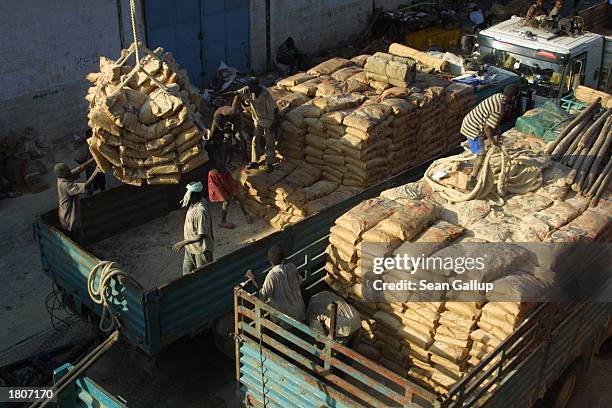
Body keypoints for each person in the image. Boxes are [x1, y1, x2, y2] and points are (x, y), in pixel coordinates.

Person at [460, 84, 520, 176]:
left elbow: (493, 121)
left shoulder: (498, 96)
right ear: (514, 98)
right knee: (481, 155)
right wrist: (493, 142)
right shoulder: (499, 108)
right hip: (473, 128)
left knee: (479, 148)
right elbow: (487, 128)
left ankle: (473, 163)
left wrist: (498, 133)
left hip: (468, 121)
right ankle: (473, 177)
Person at [245, 245, 305, 325]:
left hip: (285, 321)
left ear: (269, 260)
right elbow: (300, 282)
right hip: (300, 314)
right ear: (283, 258)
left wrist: (253, 279)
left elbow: (262, 296)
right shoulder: (291, 266)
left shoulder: (272, 275)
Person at [206, 129, 253, 229]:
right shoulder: (209, 147)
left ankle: (245, 214)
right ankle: (224, 221)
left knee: (235, 194)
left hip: (224, 173)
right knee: (226, 199)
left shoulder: (225, 146)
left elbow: (238, 150)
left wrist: (248, 157)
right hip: (215, 176)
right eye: (216, 139)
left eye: (220, 139)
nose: (218, 141)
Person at [228, 77, 278, 173]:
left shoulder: (265, 94)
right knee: (255, 140)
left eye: (251, 87)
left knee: (269, 143)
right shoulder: (248, 90)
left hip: (268, 121)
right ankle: (254, 161)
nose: (249, 88)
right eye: (248, 86)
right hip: (257, 120)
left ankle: (269, 162)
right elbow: (235, 93)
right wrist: (223, 95)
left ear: (257, 86)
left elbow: (275, 109)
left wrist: (273, 124)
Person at [172, 181, 215, 275]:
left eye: (189, 193)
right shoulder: (195, 203)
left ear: (194, 195)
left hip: (201, 250)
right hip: (190, 248)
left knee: (203, 275)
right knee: (186, 274)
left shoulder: (201, 211)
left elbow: (201, 235)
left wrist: (183, 242)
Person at [54, 159, 101, 242]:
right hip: (69, 216)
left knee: (78, 232)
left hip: (69, 214)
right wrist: (96, 171)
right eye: (67, 169)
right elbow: (86, 185)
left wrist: (93, 159)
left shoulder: (64, 177)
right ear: (63, 173)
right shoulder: (65, 185)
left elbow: (79, 169)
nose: (69, 169)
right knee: (77, 236)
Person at [75, 130, 106, 196]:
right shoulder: (88, 146)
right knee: (94, 184)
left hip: (96, 167)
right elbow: (79, 158)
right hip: (94, 168)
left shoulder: (92, 145)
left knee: (98, 183)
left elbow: (78, 158)